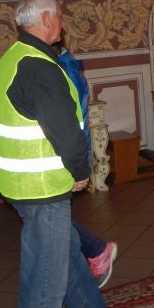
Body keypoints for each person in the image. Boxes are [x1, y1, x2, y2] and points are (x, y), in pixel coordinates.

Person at [0, 0, 131, 308]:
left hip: (21, 186)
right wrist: (79, 171)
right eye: (61, 17)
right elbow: (64, 130)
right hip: (44, 188)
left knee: (66, 251)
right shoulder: (39, 65)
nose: (63, 24)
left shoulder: (11, 59)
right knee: (44, 287)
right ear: (47, 18)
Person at [53, 40, 117, 288]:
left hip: (63, 158)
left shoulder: (65, 68)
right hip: (59, 158)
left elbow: (73, 120)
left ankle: (97, 250)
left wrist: (78, 167)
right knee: (53, 224)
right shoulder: (61, 66)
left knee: (54, 222)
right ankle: (95, 254)